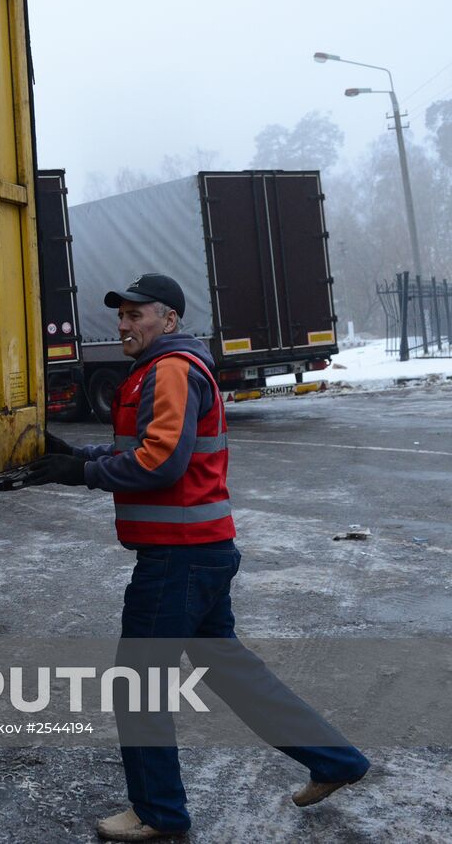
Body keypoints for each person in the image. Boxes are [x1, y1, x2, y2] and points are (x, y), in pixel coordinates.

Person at [24, 273, 369, 842]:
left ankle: (159, 813)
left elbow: (162, 462)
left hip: (177, 559)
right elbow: (140, 448)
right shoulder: (159, 371)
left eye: (138, 314)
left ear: (170, 320)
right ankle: (337, 760)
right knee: (231, 673)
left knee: (136, 682)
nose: (125, 323)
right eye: (122, 314)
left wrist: (82, 474)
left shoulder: (174, 370)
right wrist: (76, 455)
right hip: (199, 552)